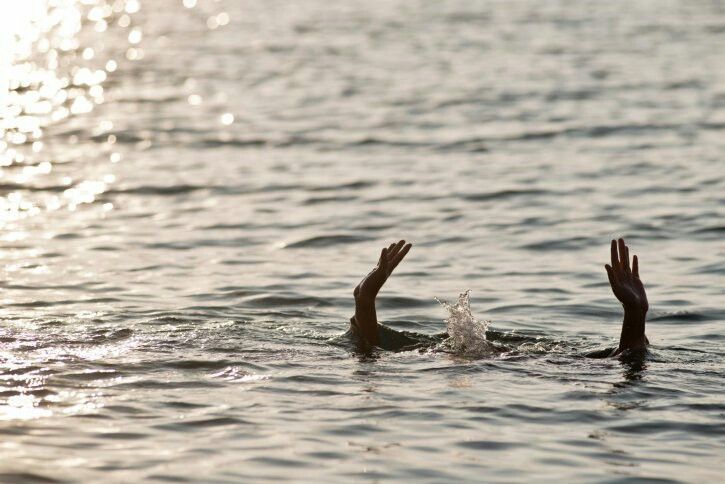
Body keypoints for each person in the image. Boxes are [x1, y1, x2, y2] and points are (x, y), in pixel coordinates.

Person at [348, 238, 650, 357]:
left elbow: (370, 353)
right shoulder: (532, 359)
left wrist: (365, 301)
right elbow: (624, 361)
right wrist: (634, 315)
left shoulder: (426, 355)